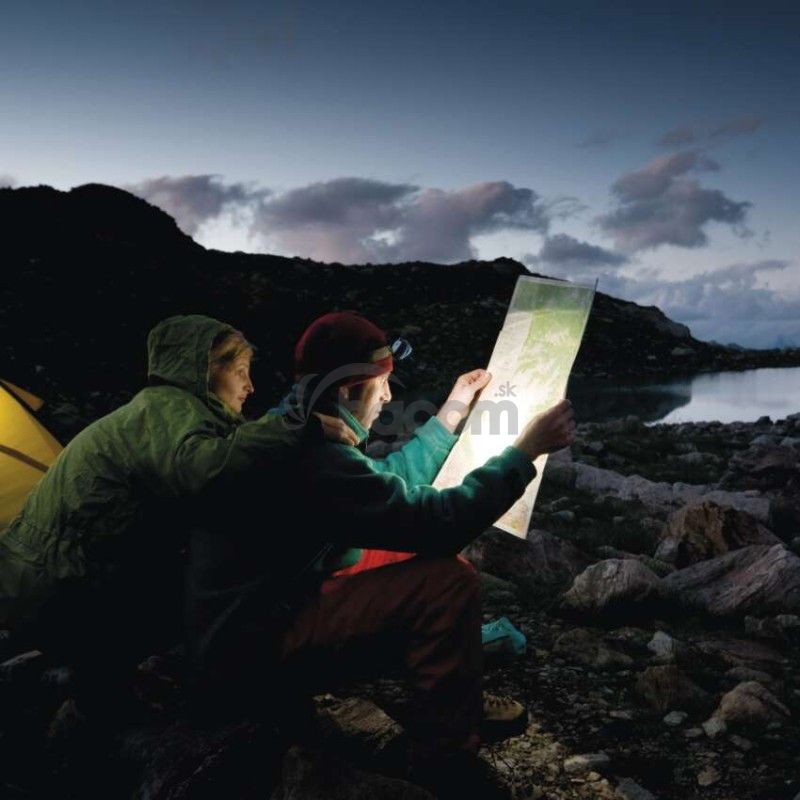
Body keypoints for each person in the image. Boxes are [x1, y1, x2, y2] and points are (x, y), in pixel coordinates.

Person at [187, 310, 575, 799]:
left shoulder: (298, 423)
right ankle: (445, 759)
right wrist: (524, 452)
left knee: (418, 562)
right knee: (446, 583)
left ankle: (453, 697)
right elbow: (438, 522)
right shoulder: (312, 456)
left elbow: (383, 485)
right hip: (249, 646)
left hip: (267, 604)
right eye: (382, 384)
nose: (389, 397)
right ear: (350, 389)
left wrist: (451, 413)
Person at [0, 313, 353, 692]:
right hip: (61, 588)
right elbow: (205, 469)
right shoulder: (166, 410)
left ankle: (68, 672)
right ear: (203, 370)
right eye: (240, 372)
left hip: (43, 579)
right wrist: (298, 428)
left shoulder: (170, 412)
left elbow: (232, 451)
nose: (250, 386)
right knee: (213, 581)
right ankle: (92, 682)